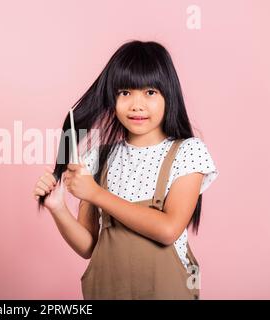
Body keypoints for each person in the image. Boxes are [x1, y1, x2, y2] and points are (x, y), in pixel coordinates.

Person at [33, 40, 219, 299]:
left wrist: (96, 193)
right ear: (112, 98)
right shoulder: (98, 158)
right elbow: (89, 246)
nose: (137, 105)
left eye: (150, 92)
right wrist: (58, 208)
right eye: (125, 92)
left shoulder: (188, 152)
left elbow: (168, 230)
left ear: (169, 94)